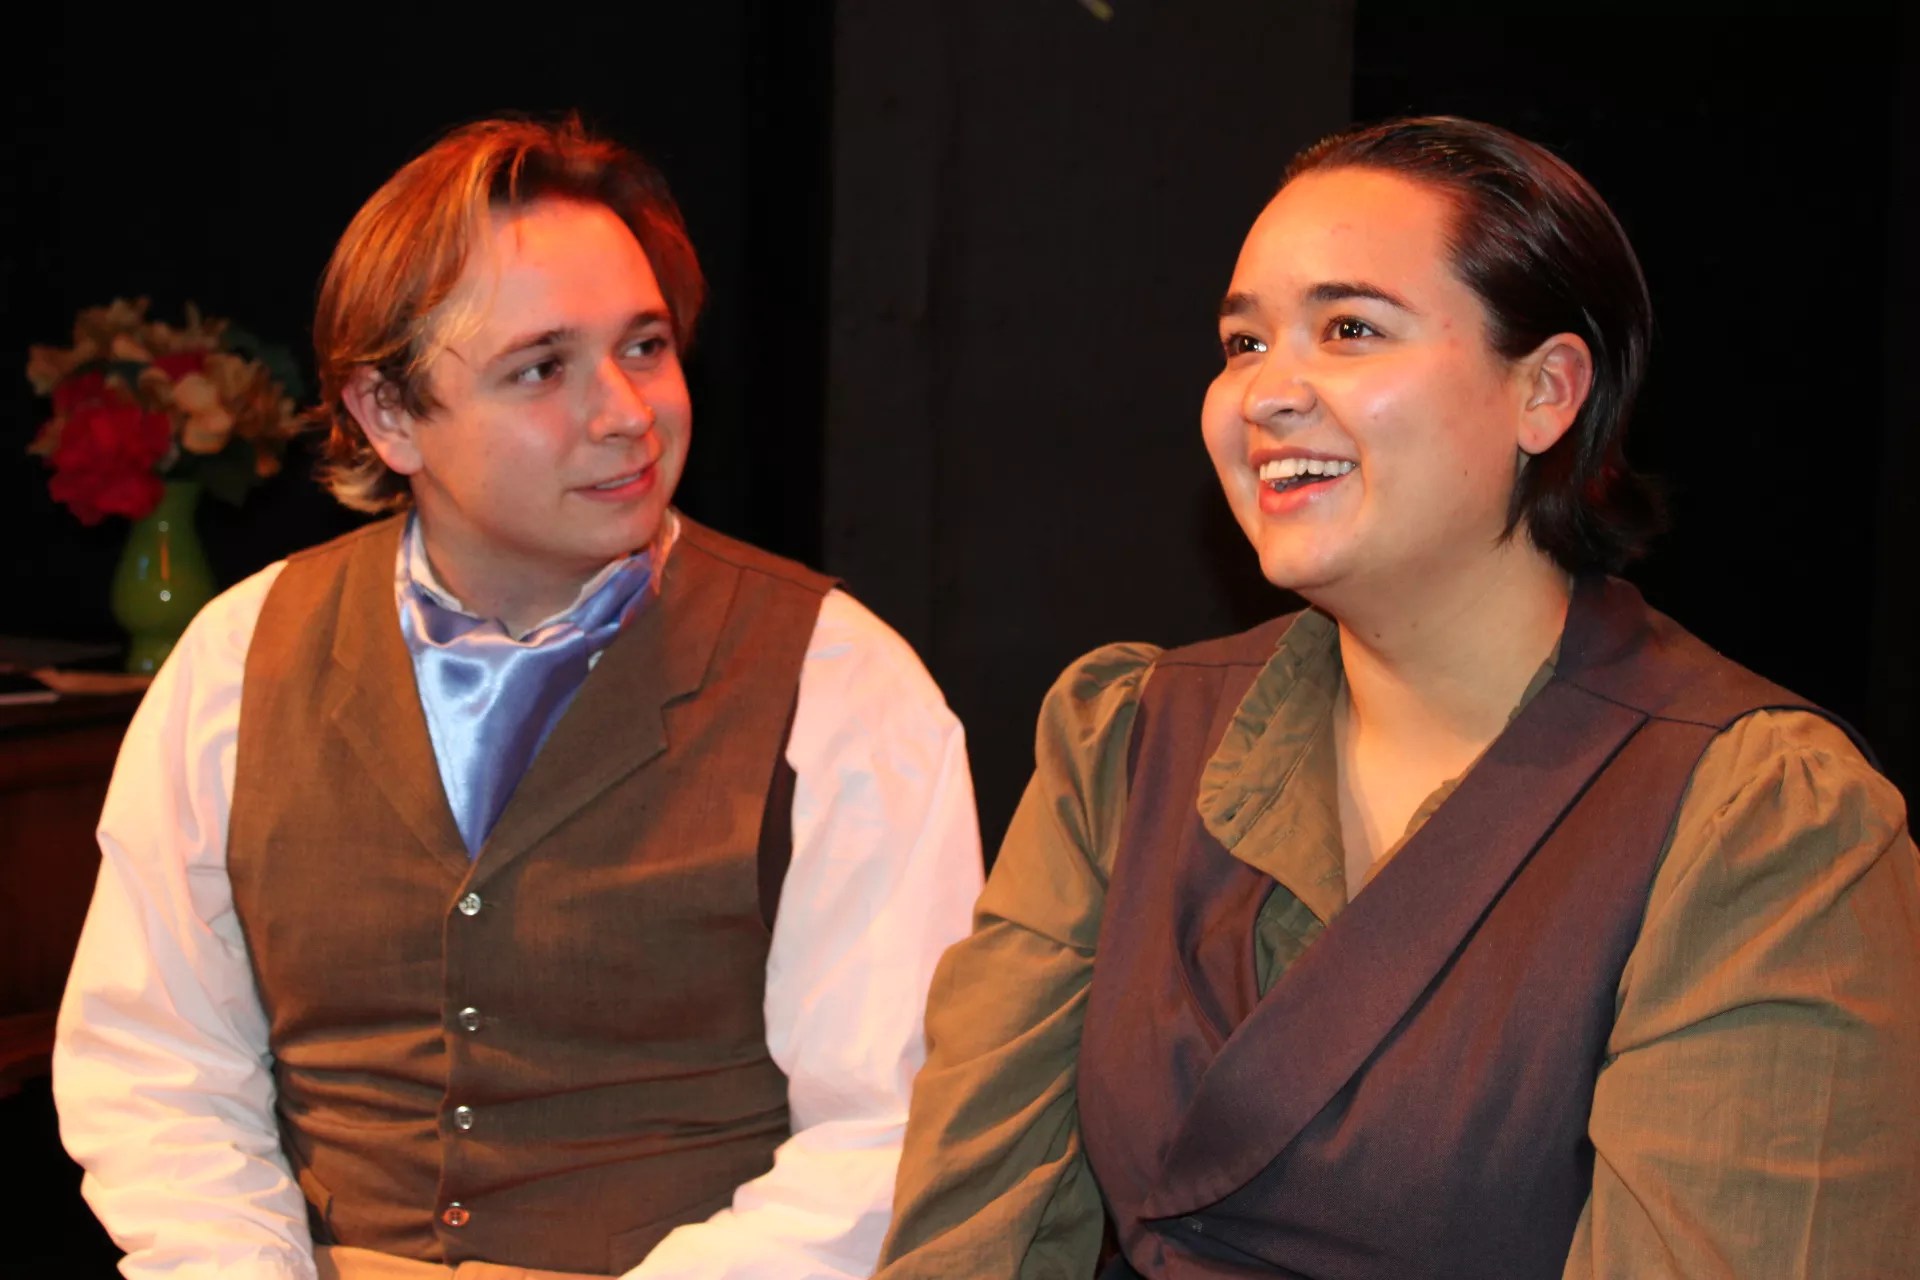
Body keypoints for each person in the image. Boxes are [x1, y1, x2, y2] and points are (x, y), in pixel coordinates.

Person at [875, 116, 1920, 1279]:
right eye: (1242, 342)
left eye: (1350, 329)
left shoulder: (1757, 819)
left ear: (1546, 392)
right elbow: (964, 1238)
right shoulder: (1128, 739)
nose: (1266, 394)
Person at [54, 116, 983, 1280]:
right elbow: (158, 1064)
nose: (626, 411)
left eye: (645, 346)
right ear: (388, 414)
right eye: (543, 367)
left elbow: (887, 1129)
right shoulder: (237, 661)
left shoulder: (839, 681)